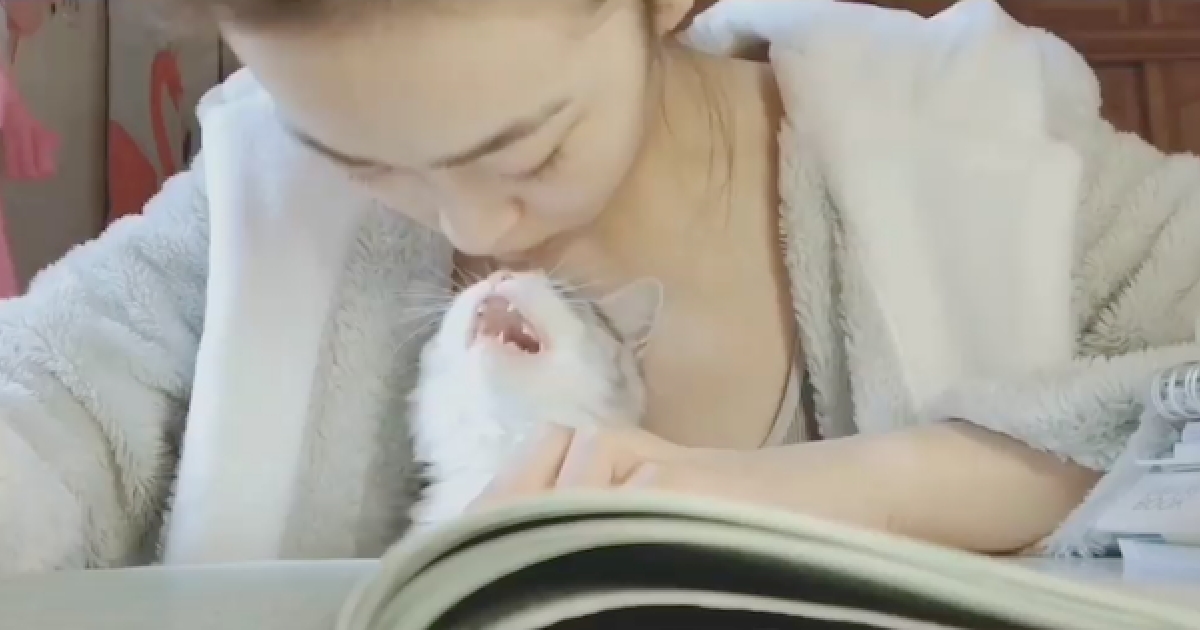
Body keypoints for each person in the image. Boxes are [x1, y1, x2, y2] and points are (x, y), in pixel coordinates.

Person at [3, 0, 1197, 573]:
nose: (471, 228)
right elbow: (41, 408)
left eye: (527, 151)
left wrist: (862, 492)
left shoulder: (987, 158)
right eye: (358, 159)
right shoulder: (249, 212)